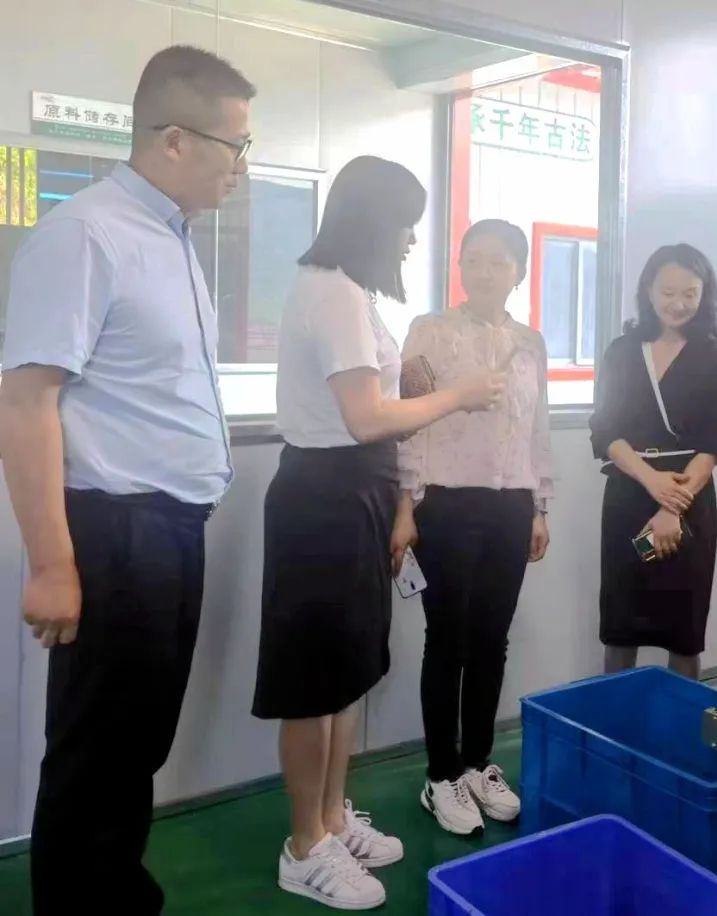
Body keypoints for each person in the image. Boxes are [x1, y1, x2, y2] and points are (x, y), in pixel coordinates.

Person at [0, 46, 255, 915]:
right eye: (234, 145)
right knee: (96, 752)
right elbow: (26, 401)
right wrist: (51, 565)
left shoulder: (172, 239)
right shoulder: (86, 234)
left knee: (136, 744)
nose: (241, 166)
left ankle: (116, 894)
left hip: (171, 531)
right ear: (174, 140)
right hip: (114, 534)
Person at [252, 156, 503, 910]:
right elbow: (364, 418)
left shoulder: (351, 292)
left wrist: (412, 391)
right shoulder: (330, 292)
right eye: (405, 225)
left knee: (348, 669)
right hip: (323, 499)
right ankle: (304, 846)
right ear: (373, 220)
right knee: (313, 681)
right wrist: (457, 396)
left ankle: (332, 820)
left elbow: (373, 402)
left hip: (355, 488)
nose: (410, 240)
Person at [391, 219, 553, 836]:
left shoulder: (531, 343)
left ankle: (479, 763)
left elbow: (537, 430)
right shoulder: (429, 331)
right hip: (446, 505)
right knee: (448, 639)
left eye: (499, 261)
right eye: (474, 259)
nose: (484, 271)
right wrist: (406, 505)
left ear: (519, 272)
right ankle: (441, 774)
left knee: (492, 639)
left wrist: (539, 506)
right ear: (459, 266)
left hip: (511, 506)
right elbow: (410, 423)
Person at [589, 244, 717, 681]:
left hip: (689, 499)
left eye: (690, 293)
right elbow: (605, 430)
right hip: (629, 493)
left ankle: (681, 719)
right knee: (620, 625)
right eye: (668, 292)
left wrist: (672, 505)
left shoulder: (715, 358)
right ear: (648, 291)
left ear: (704, 295)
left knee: (683, 629)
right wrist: (651, 481)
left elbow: (712, 442)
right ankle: (617, 716)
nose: (678, 303)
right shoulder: (621, 351)